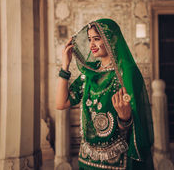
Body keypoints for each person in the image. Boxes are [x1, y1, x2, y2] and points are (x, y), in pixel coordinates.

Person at [56, 18, 154, 170]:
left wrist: (124, 118)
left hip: (118, 159)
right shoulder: (90, 72)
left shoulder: (126, 72)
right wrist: (65, 66)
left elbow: (133, 112)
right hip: (87, 157)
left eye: (96, 39)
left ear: (111, 39)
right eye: (89, 40)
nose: (91, 45)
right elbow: (61, 103)